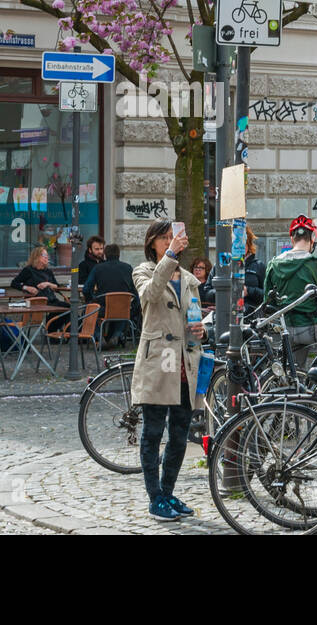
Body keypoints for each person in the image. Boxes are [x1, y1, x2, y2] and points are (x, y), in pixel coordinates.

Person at [132, 220, 205, 522]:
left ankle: (168, 492)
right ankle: (154, 499)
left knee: (179, 435)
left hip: (186, 366)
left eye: (171, 237)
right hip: (159, 363)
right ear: (152, 243)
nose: (167, 241)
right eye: (162, 238)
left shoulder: (189, 279)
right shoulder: (144, 271)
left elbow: (194, 315)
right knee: (152, 432)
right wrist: (170, 257)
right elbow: (150, 295)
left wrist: (200, 330)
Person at [264, 215, 317, 364]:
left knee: (296, 374)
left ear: (292, 239)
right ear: (312, 239)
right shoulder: (313, 264)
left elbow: (267, 300)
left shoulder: (273, 264)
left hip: (287, 328)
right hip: (312, 327)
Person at [82, 243, 141, 345]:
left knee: (87, 311)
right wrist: (134, 306)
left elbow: (86, 289)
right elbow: (135, 290)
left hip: (102, 308)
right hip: (123, 309)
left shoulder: (98, 268)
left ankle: (98, 337)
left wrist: (91, 300)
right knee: (123, 309)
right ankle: (116, 335)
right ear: (119, 254)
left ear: (105, 254)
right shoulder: (128, 268)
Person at [201, 227, 265, 315]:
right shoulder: (220, 265)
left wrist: (249, 291)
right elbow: (207, 294)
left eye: (241, 243)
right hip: (224, 315)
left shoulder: (258, 266)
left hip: (251, 318)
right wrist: (225, 290)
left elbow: (266, 295)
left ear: (248, 244)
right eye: (234, 243)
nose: (237, 247)